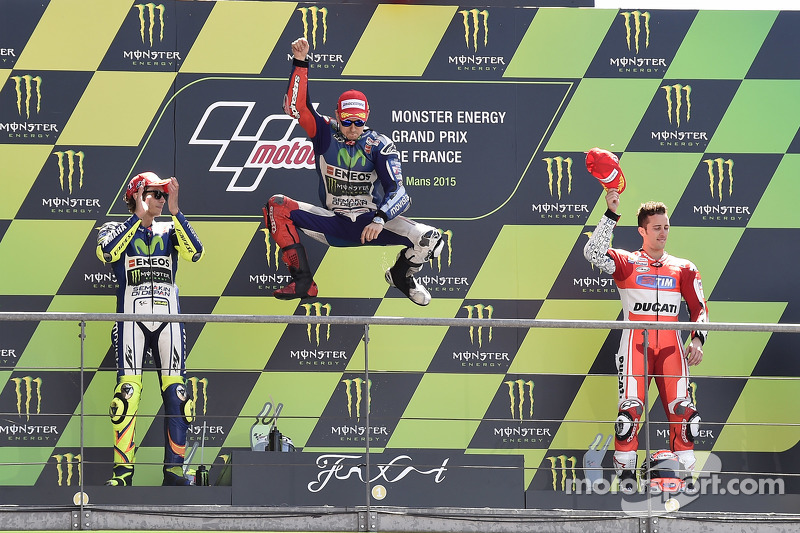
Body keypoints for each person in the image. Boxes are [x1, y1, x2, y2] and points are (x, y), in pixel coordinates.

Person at [263, 37, 443, 305]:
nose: (353, 127)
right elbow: (296, 108)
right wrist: (301, 62)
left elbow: (400, 192)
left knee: (432, 240)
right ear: (338, 114)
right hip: (333, 223)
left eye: (359, 121)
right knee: (276, 206)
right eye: (347, 121)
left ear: (367, 116)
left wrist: (379, 219)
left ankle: (400, 276)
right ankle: (303, 281)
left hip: (371, 224)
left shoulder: (379, 145)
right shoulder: (324, 132)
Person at [583, 189, 708, 487]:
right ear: (642, 230)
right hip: (635, 345)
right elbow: (593, 253)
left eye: (666, 227)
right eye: (656, 228)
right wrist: (611, 214)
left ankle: (685, 481)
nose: (663, 233)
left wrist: (697, 340)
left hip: (670, 348)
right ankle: (627, 481)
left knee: (684, 414)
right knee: (629, 415)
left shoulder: (684, 268)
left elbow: (699, 308)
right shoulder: (626, 262)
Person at [96, 172, 204, 486]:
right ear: (136, 196)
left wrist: (175, 209)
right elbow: (107, 253)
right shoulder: (114, 228)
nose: (159, 198)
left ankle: (173, 471)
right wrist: (138, 219)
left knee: (179, 396)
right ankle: (123, 473)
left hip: (170, 321)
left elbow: (195, 252)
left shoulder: (171, 228)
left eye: (161, 194)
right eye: (154, 194)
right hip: (131, 320)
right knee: (126, 395)